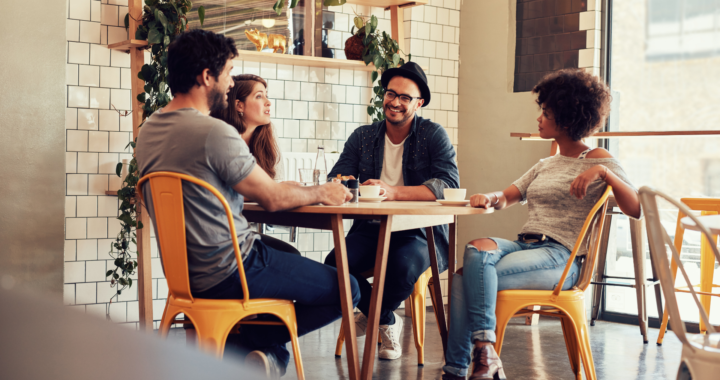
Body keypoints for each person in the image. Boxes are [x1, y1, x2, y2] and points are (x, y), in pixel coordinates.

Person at [135, 29, 359, 379]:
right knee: (349, 288)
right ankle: (249, 345)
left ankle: (252, 351)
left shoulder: (148, 131)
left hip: (186, 275)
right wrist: (321, 192)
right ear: (206, 76)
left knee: (290, 257)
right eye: (226, 74)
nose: (229, 83)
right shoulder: (214, 133)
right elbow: (272, 198)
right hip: (232, 267)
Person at [441, 69, 642, 380]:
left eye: (546, 113)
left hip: (562, 257)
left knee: (468, 279)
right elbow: (508, 196)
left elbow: (636, 207)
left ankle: (462, 367)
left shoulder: (599, 158)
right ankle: (482, 355)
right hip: (526, 244)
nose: (539, 118)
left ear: (565, 118)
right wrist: (488, 197)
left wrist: (602, 171)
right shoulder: (545, 164)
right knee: (474, 251)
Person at [325, 62, 460, 360]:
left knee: (400, 268)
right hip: (372, 227)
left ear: (419, 102)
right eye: (390, 94)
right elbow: (336, 178)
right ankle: (385, 319)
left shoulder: (432, 135)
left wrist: (392, 191)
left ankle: (371, 316)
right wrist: (346, 183)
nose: (395, 102)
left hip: (420, 232)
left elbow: (448, 183)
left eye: (405, 97)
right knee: (335, 262)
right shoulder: (363, 137)